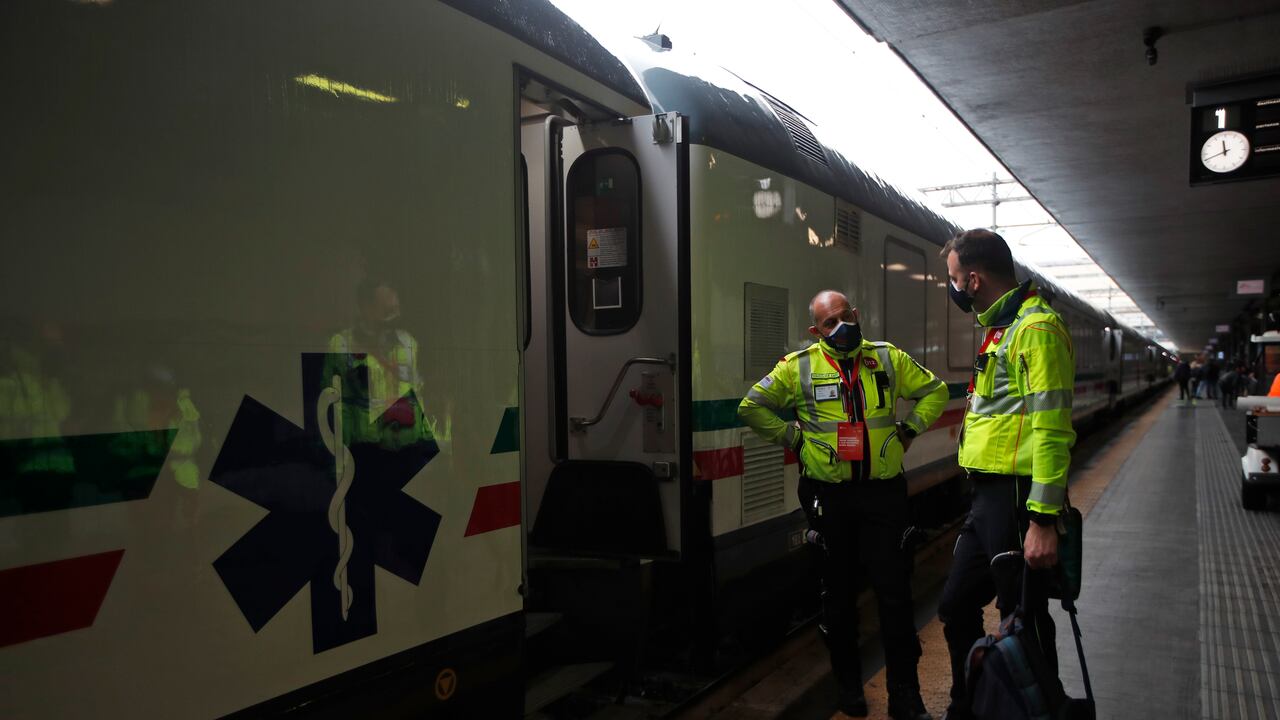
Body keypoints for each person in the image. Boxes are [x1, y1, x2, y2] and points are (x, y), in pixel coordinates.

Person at [738, 290, 947, 720]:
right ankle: (848, 688)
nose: (842, 326)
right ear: (816, 331)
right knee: (838, 598)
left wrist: (909, 430)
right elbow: (751, 406)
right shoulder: (798, 368)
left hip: (882, 495)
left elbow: (936, 392)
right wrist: (794, 438)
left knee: (895, 595)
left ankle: (905, 696)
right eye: (830, 322)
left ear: (856, 314)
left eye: (845, 316)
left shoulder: (887, 358)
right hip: (828, 498)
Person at [935, 230, 1075, 720]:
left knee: (1025, 619)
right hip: (987, 497)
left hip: (1018, 498)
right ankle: (971, 705)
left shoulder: (1036, 329)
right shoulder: (1002, 328)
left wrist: (1042, 518)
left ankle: (1040, 710)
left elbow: (1053, 428)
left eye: (954, 279)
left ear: (974, 279)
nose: (952, 289)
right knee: (955, 607)